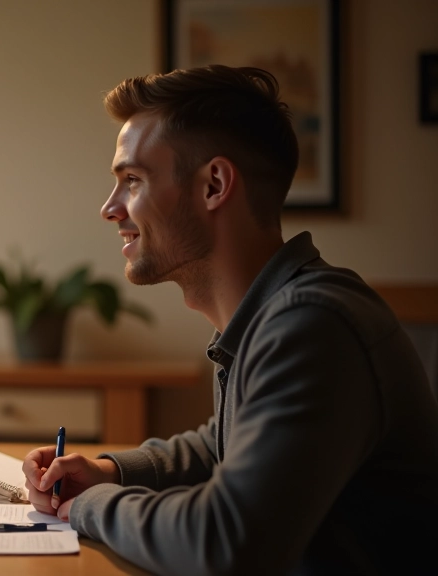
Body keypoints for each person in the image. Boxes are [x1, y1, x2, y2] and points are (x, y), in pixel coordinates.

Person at [24, 65, 438, 575]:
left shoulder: (313, 325)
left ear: (214, 185)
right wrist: (108, 470)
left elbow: (222, 541)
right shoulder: (272, 314)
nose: (110, 208)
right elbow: (220, 444)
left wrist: (90, 506)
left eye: (132, 180)